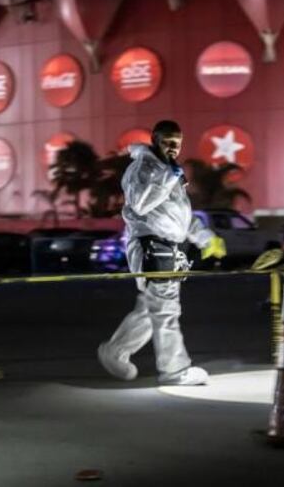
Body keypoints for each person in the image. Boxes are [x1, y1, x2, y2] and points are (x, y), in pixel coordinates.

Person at [97, 120, 226, 386]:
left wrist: (205, 238)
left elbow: (178, 215)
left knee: (151, 307)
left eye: (176, 143)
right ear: (155, 140)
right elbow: (141, 204)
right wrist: (169, 178)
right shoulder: (142, 169)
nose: (172, 148)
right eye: (167, 142)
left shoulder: (169, 170)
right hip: (151, 245)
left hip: (165, 245)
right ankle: (174, 370)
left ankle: (115, 351)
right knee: (166, 309)